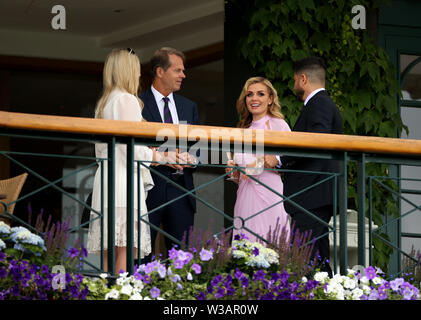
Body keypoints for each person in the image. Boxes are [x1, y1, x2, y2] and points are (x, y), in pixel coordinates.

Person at [86, 48, 172, 273]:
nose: (138, 75)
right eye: (135, 69)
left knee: (109, 257)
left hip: (106, 178)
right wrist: (161, 156)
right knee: (123, 255)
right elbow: (129, 150)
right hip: (122, 180)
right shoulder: (126, 100)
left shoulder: (104, 103)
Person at [282, 56, 343, 277]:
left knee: (309, 257)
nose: (294, 84)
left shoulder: (320, 104)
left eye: (295, 80)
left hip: (313, 191)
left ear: (303, 78)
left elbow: (317, 139)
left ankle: (319, 291)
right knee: (310, 255)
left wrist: (280, 159)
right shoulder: (320, 104)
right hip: (312, 192)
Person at [140, 47, 199, 258]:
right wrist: (163, 155)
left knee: (182, 259)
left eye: (183, 71)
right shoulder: (137, 103)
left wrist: (191, 158)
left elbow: (196, 149)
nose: (183, 75)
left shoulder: (188, 106)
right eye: (178, 70)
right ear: (159, 71)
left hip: (182, 191)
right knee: (142, 256)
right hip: (148, 190)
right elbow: (133, 147)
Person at [226, 77, 291, 244]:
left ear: (270, 99)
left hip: (271, 192)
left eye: (260, 94)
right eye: (249, 94)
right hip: (245, 197)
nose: (254, 99)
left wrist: (276, 159)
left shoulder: (279, 125)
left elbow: (292, 157)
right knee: (245, 247)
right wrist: (233, 172)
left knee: (273, 243)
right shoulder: (243, 130)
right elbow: (240, 175)